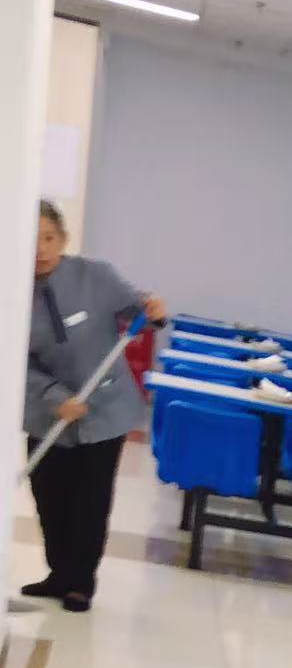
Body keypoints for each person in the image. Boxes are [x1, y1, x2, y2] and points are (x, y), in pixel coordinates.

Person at [24, 200, 165, 612]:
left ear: (63, 239)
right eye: (32, 239)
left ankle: (80, 583)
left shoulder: (95, 275)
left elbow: (138, 309)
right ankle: (58, 574)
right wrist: (54, 397)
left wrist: (153, 310)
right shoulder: (11, 289)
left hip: (103, 410)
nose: (40, 249)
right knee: (49, 497)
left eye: (49, 238)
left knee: (89, 500)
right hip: (45, 414)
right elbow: (12, 360)